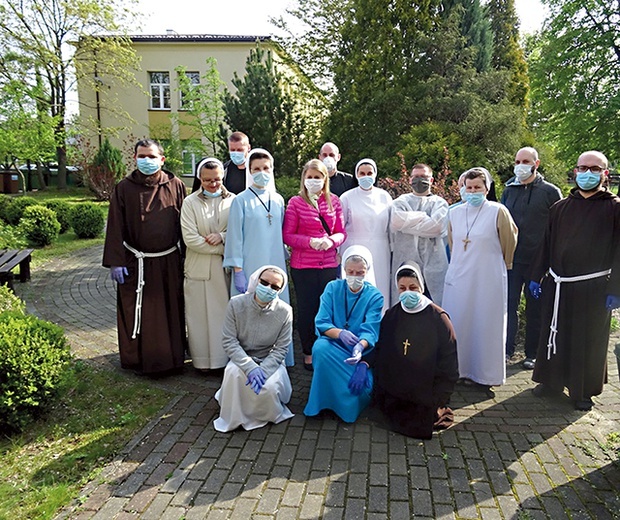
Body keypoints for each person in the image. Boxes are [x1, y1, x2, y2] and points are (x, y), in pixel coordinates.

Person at [529, 150, 620, 411]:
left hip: (593, 288)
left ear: (605, 173)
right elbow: (546, 244)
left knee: (587, 339)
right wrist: (537, 276)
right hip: (558, 285)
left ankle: (582, 391)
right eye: (583, 168)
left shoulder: (614, 208)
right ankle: (551, 382)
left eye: (594, 168)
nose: (587, 173)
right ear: (575, 171)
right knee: (554, 333)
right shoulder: (560, 208)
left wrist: (616, 290)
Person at [103, 138, 186, 375]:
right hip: (135, 262)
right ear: (135, 158)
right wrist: (115, 261)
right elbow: (115, 226)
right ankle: (138, 359)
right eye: (142, 156)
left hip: (168, 260)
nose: (146, 160)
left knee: (170, 308)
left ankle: (173, 358)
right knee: (139, 309)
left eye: (151, 156)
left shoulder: (176, 185)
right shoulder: (124, 188)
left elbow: (185, 224)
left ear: (162, 159)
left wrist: (187, 258)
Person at [442, 167, 518, 390]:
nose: (473, 191)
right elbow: (453, 243)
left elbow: (509, 242)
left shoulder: (498, 211)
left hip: (488, 276)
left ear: (487, 188)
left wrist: (502, 264)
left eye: (478, 187)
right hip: (460, 276)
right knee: (459, 321)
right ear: (463, 188)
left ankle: (485, 375)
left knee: (486, 323)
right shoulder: (454, 212)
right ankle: (460, 370)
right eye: (469, 187)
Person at [371, 262, 459, 439]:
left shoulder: (439, 319)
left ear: (422, 287)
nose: (407, 292)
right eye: (402, 288)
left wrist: (438, 398)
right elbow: (382, 355)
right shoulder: (391, 316)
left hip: (425, 393)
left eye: (413, 287)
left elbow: (448, 364)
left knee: (418, 420)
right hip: (396, 391)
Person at [223, 148, 294, 365]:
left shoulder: (279, 199)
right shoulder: (240, 200)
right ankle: (244, 361)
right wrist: (237, 270)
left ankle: (279, 358)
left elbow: (280, 234)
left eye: (265, 168)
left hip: (275, 264)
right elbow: (234, 237)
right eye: (256, 169)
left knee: (276, 311)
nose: (261, 172)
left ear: (272, 170)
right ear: (249, 172)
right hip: (249, 264)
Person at [304, 246, 384, 422]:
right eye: (351, 272)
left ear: (367, 272)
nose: (354, 277)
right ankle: (323, 402)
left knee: (364, 388)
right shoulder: (332, 288)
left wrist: (359, 346)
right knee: (320, 347)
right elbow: (322, 321)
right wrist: (340, 333)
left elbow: (371, 329)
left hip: (358, 353)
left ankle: (346, 405)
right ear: (344, 270)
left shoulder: (374, 296)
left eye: (360, 273)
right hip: (333, 345)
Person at [501, 147, 562, 368]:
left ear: (536, 164)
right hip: (512, 261)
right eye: (517, 161)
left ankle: (532, 354)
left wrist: (550, 260)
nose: (520, 165)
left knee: (535, 309)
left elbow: (559, 227)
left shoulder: (550, 192)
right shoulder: (509, 191)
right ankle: (506, 350)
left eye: (525, 161)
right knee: (509, 306)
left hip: (538, 262)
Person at [213, 265, 294, 432]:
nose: (268, 288)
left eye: (274, 286)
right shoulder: (236, 304)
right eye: (264, 282)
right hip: (241, 357)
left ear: (280, 290)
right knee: (234, 374)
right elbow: (229, 340)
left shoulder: (285, 311)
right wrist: (250, 367)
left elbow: (281, 348)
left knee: (269, 387)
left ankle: (267, 414)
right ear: (256, 280)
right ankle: (235, 416)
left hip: (269, 359)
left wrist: (264, 370)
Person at [283, 159, 346, 370]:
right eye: (309, 177)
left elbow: (341, 231)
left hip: (328, 264)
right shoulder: (295, 202)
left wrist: (331, 241)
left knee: (327, 308)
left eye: (317, 177)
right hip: (303, 266)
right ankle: (308, 351)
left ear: (324, 179)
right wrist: (309, 242)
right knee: (308, 309)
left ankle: (326, 348)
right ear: (303, 179)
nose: (313, 181)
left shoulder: (334, 201)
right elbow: (288, 235)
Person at [181, 158, 235, 371]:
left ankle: (225, 361)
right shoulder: (190, 203)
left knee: (224, 317)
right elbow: (190, 239)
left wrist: (222, 237)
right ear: (199, 179)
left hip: (225, 269)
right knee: (200, 318)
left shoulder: (234, 200)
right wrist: (221, 248)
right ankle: (202, 362)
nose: (213, 184)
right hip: (199, 268)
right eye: (207, 180)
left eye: (217, 180)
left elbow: (239, 233)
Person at [390, 163, 449, 306]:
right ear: (410, 180)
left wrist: (407, 224)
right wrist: (424, 218)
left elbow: (437, 227)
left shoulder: (440, 203)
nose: (419, 180)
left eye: (423, 177)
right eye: (415, 177)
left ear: (431, 180)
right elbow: (397, 221)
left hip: (434, 263)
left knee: (435, 306)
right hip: (405, 259)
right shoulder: (400, 202)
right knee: (404, 304)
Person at [340, 158, 392, 312]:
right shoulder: (346, 197)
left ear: (375, 174)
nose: (365, 176)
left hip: (380, 250)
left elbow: (391, 226)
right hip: (353, 247)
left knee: (380, 287)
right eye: (362, 173)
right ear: (356, 175)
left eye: (369, 173)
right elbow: (339, 227)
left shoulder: (385, 196)